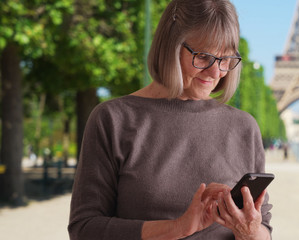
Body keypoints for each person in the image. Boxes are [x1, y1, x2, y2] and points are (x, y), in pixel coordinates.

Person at [68, 0, 273, 239]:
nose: (216, 72)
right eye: (203, 56)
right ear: (170, 47)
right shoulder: (112, 119)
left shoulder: (244, 127)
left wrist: (249, 232)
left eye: (226, 59)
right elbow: (84, 229)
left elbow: (264, 229)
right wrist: (178, 228)